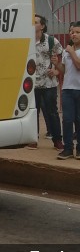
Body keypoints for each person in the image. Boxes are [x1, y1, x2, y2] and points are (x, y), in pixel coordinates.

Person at [30, 15, 64, 150]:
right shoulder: (27, 40)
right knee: (33, 112)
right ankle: (33, 139)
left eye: (36, 22)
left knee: (52, 112)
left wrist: (56, 70)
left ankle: (57, 140)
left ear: (42, 26)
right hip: (32, 84)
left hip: (49, 83)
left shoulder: (51, 40)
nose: (32, 24)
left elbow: (61, 57)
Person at [51, 21, 80, 160]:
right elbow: (65, 70)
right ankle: (68, 148)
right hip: (67, 90)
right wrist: (57, 63)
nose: (74, 34)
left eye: (77, 32)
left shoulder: (70, 50)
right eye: (73, 32)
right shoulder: (67, 50)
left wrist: (71, 51)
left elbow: (79, 66)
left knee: (79, 120)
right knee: (67, 120)